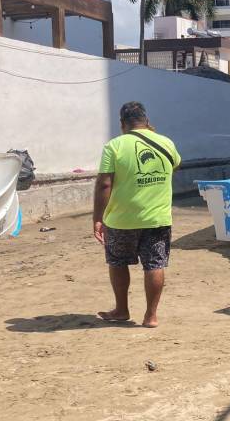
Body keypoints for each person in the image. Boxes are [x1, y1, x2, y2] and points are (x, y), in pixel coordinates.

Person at [93, 102, 181, 328]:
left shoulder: (114, 146)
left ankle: (122, 310)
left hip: (121, 219)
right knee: (154, 264)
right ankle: (151, 316)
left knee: (118, 262)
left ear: (123, 124)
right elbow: (175, 166)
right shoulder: (166, 142)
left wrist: (98, 218)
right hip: (157, 218)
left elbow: (104, 184)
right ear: (147, 121)